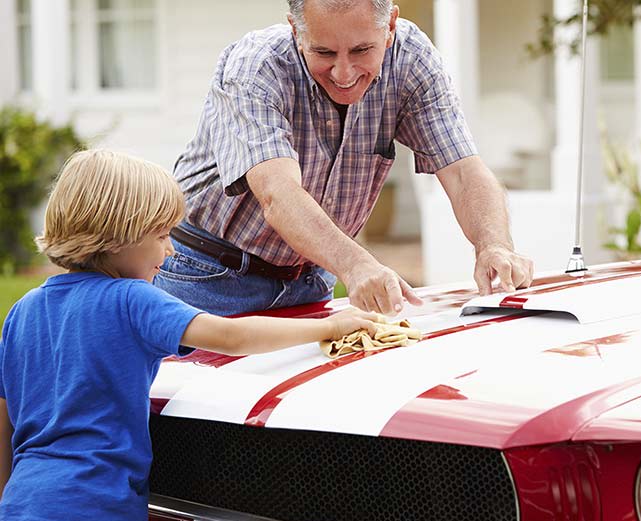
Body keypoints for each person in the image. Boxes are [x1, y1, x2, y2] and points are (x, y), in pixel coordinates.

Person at [0, 150, 378, 521]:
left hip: (21, 504)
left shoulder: (21, 311)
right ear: (118, 238)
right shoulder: (131, 299)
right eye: (162, 235)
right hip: (96, 509)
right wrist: (331, 326)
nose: (170, 250)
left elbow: (5, 421)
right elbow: (231, 336)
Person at [156, 0, 534, 317]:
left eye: (360, 51)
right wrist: (357, 265)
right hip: (205, 275)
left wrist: (493, 245)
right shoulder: (255, 67)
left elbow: (464, 171)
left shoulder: (412, 59)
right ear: (296, 30)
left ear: (390, 26)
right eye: (323, 52)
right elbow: (277, 194)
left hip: (310, 279)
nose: (343, 73)